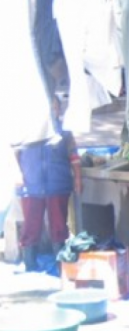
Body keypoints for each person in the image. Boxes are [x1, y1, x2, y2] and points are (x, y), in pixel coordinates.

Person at [15, 95, 82, 271]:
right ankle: (29, 264)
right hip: (31, 185)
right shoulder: (26, 130)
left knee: (59, 225)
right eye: (47, 107)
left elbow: (74, 157)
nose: (51, 111)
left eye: (54, 108)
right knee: (31, 225)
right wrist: (18, 174)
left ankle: (62, 266)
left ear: (59, 110)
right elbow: (14, 154)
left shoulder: (65, 133)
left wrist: (77, 179)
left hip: (58, 185)